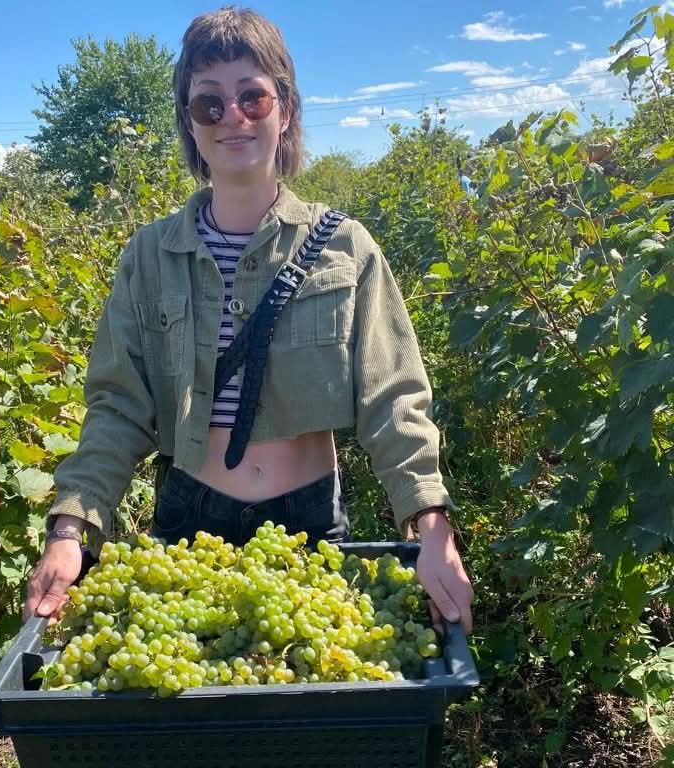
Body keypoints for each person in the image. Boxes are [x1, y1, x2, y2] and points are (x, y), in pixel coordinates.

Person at [25, 7, 473, 635]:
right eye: (208, 103)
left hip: (308, 524)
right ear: (190, 121)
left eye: (252, 97)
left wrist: (431, 525)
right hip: (189, 521)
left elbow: (393, 399)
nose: (232, 116)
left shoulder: (345, 247)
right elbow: (117, 407)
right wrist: (72, 529)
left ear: (284, 109)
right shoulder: (149, 257)